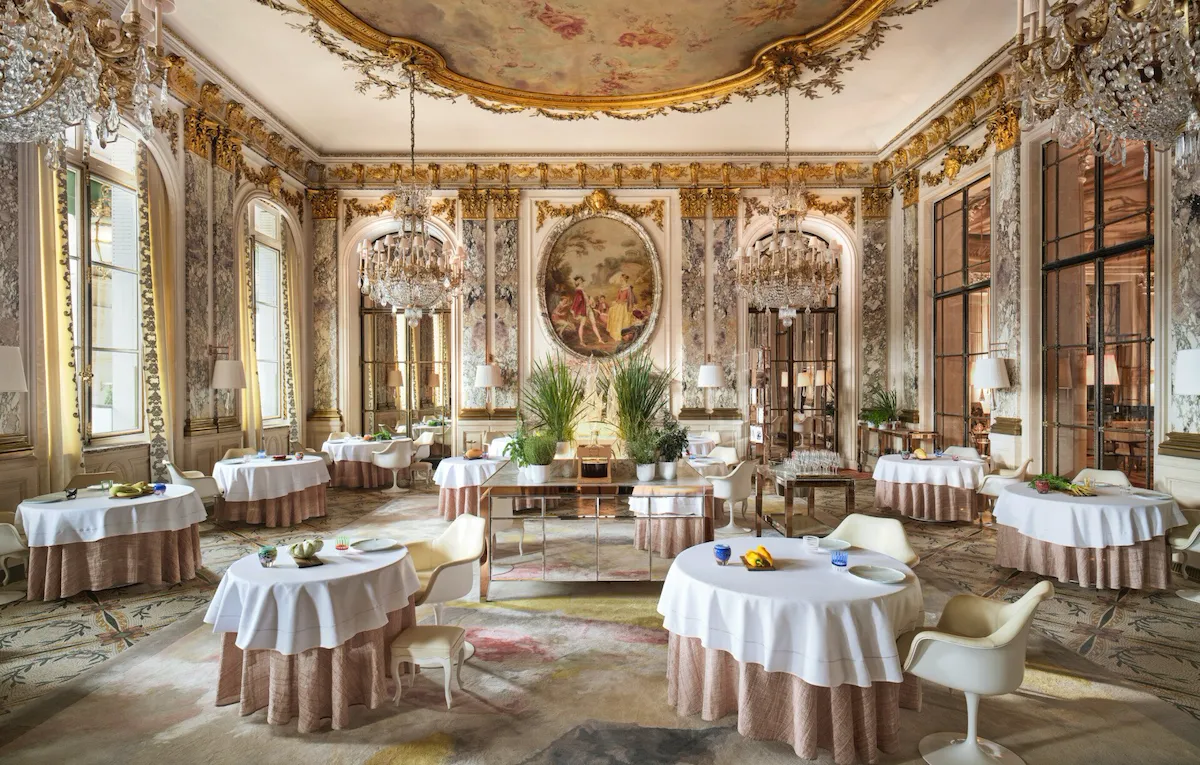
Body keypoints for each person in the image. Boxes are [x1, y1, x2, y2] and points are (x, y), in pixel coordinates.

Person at [570, 276, 605, 347]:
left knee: (594, 324)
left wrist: (590, 300)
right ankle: (581, 341)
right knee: (582, 325)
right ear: (578, 282)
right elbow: (577, 302)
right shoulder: (579, 291)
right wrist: (573, 310)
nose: (582, 283)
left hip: (589, 309)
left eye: (582, 281)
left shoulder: (582, 291)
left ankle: (600, 339)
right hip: (584, 310)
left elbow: (585, 300)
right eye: (581, 282)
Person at [606, 272, 635, 341]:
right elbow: (618, 298)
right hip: (619, 304)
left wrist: (624, 302)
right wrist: (615, 301)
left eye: (622, 280)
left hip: (625, 306)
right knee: (612, 310)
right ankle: (616, 334)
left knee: (623, 319)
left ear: (625, 280)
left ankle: (623, 335)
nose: (621, 281)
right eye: (620, 280)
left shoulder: (628, 288)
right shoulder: (620, 289)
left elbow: (630, 299)